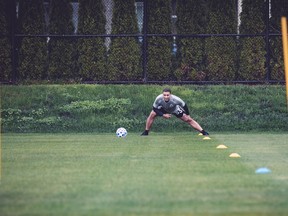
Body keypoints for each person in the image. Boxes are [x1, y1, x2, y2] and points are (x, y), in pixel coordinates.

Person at [141, 88, 209, 136]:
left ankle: (203, 132)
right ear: (162, 95)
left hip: (174, 109)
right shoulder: (158, 98)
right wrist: (163, 115)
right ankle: (146, 131)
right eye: (164, 95)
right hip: (163, 109)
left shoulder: (176, 99)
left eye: (168, 95)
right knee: (152, 114)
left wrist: (188, 114)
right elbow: (154, 108)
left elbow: (184, 105)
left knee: (188, 119)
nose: (166, 96)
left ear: (170, 95)